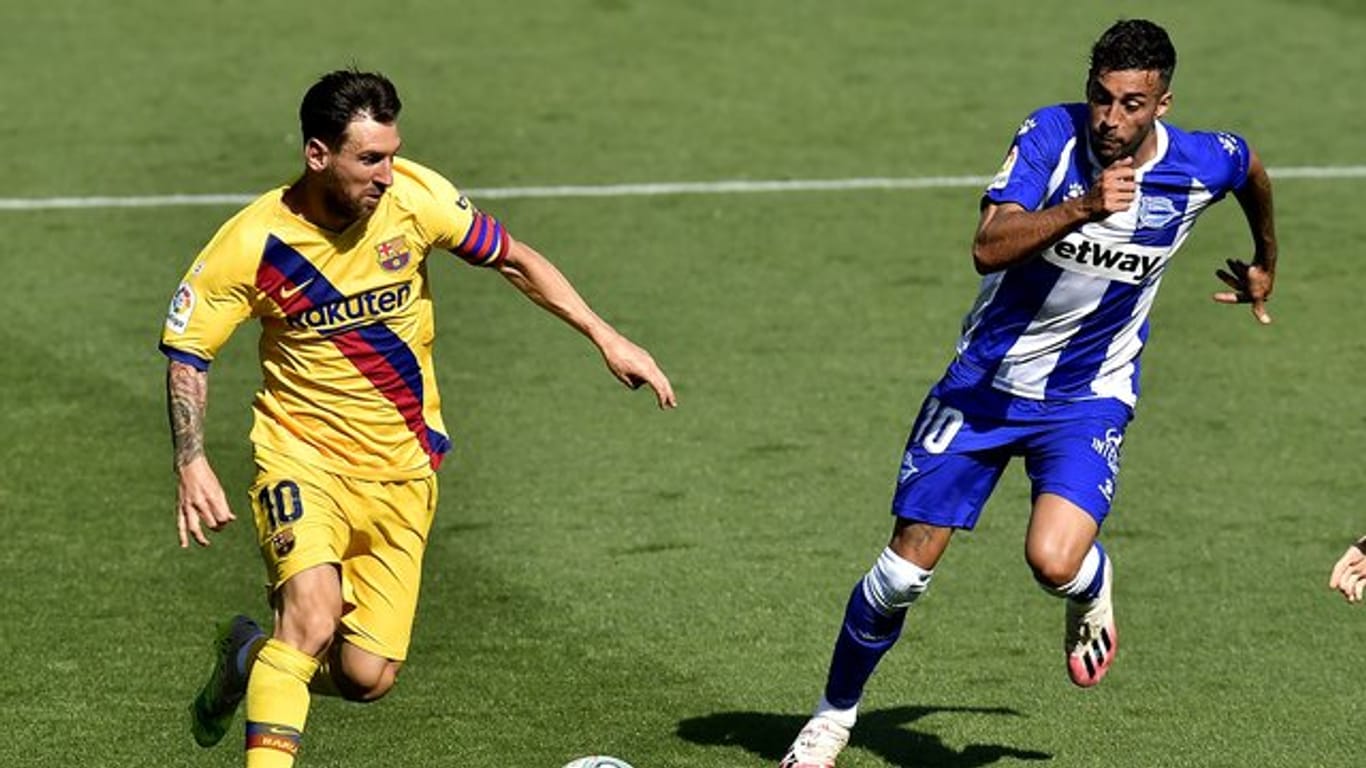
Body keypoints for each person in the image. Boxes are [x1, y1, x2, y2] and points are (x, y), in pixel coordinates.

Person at [779, 19, 1277, 768]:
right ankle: (832, 718)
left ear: (1163, 104)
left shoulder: (1202, 161)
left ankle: (1091, 582)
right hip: (984, 387)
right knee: (900, 577)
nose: (1112, 119)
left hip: (1088, 396)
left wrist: (1266, 260)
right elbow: (987, 245)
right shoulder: (1051, 136)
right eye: (1102, 98)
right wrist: (1082, 207)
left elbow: (1250, 168)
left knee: (1053, 562)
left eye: (1133, 104)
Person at [161, 69, 676, 768]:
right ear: (319, 155)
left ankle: (248, 654)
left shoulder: (415, 199)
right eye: (369, 158)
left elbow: (515, 259)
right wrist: (191, 459)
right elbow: (190, 351)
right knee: (310, 619)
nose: (386, 173)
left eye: (392, 153)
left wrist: (604, 334)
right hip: (301, 458)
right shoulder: (253, 243)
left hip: (403, 470)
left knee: (366, 677)